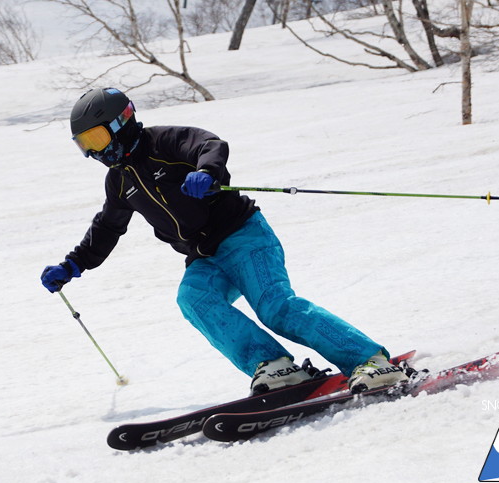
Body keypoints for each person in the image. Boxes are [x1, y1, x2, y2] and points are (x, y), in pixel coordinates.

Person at [41, 88, 408, 395]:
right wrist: (73, 265)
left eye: (97, 138)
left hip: (244, 236)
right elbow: (107, 227)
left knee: (275, 307)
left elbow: (210, 145)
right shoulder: (119, 181)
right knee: (194, 299)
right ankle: (277, 366)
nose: (94, 151)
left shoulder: (163, 142)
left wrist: (206, 172)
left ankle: (370, 361)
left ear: (121, 123)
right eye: (84, 144)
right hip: (204, 257)